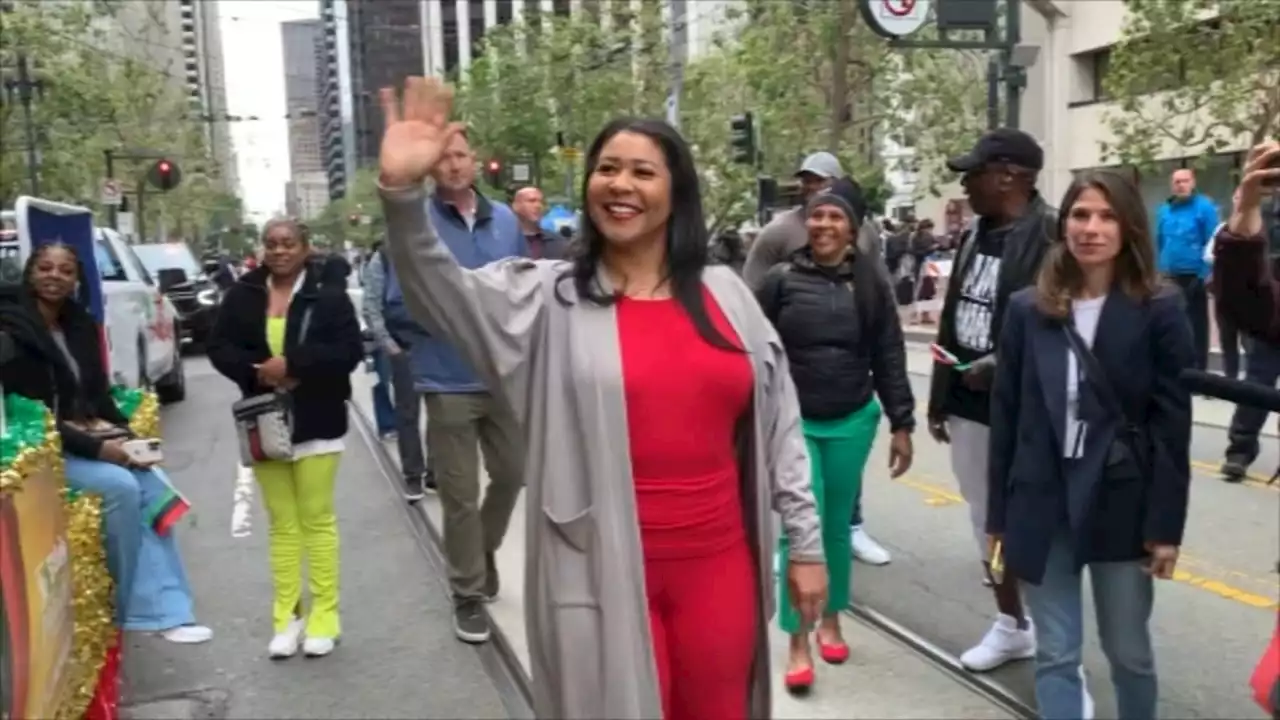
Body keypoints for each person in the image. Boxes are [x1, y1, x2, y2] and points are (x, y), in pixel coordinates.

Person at [376, 76, 826, 720]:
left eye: (643, 171)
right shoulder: (547, 297)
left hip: (720, 568)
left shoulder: (729, 296)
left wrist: (805, 546)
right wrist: (401, 195)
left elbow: (782, 431)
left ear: (677, 192)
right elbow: (439, 293)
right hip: (595, 574)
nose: (621, 184)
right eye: (607, 168)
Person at [987, 170, 1193, 720]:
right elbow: (1006, 416)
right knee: (1055, 653)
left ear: (1128, 227)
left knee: (1129, 653)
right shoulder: (1029, 309)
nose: (1091, 228)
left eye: (1106, 216)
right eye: (1080, 215)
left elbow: (1172, 428)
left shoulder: (1160, 309)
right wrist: (997, 517)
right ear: (1064, 225)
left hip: (1121, 499)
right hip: (1042, 498)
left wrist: (1165, 529)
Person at [0, 244, 211, 643]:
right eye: (45, 268)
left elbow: (97, 398)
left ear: (76, 280)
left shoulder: (77, 324)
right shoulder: (11, 330)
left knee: (152, 481)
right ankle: (139, 610)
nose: (54, 276)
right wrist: (100, 451)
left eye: (65, 270)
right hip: (38, 450)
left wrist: (128, 440)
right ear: (30, 273)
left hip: (82, 436)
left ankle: (168, 609)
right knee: (120, 488)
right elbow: (31, 418)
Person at [756, 178, 915, 693]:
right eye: (816, 216)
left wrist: (902, 422)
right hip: (794, 422)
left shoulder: (870, 283)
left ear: (853, 227)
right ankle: (799, 639)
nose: (823, 225)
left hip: (851, 419)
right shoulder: (780, 280)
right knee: (798, 529)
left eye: (835, 217)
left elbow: (889, 353)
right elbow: (753, 348)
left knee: (836, 528)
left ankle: (831, 620)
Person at [387, 128, 528, 645]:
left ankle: (479, 551)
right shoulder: (415, 222)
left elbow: (521, 288)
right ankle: (467, 593)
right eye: (443, 158)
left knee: (514, 473)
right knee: (459, 494)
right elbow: (400, 302)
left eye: (461, 155)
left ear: (477, 161)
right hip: (446, 377)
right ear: (430, 167)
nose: (453, 165)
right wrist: (452, 322)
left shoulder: (508, 221)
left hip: (501, 375)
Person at [926, 127, 1056, 672]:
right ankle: (1011, 624)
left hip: (1026, 412)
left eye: (973, 174)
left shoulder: (1052, 236)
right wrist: (941, 397)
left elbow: (1063, 322)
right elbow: (955, 320)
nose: (965, 185)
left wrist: (1002, 366)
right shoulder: (975, 233)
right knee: (988, 525)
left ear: (1009, 177)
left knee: (1033, 528)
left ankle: (1058, 653)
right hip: (970, 409)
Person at [206, 218, 363, 659]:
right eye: (272, 244)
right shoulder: (242, 294)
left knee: (316, 519)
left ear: (305, 248)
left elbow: (349, 351)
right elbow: (220, 348)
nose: (279, 251)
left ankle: (324, 617)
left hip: (319, 418)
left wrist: (294, 364)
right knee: (282, 523)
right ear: (263, 248)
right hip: (263, 420)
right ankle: (286, 618)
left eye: (288, 244)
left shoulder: (327, 294)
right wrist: (257, 372)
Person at [743, 151, 893, 566]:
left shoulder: (866, 231)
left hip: (848, 376)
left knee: (844, 469)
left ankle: (851, 527)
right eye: (808, 181)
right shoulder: (778, 232)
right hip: (796, 379)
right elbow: (753, 296)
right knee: (798, 474)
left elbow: (877, 289)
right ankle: (790, 540)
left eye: (822, 180)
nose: (814, 188)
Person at [362, 241, 434, 498]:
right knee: (408, 411)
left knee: (443, 410)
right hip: (402, 344)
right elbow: (371, 305)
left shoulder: (434, 246)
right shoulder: (383, 255)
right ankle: (413, 474)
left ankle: (435, 472)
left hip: (436, 342)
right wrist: (389, 345)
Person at [1155, 168, 1219, 370]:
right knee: (1170, 323)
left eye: (1185, 181)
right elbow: (1160, 241)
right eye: (1176, 181)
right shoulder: (1164, 210)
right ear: (1171, 185)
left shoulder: (1204, 207)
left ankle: (1200, 372)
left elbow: (1213, 242)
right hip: (1168, 275)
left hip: (1195, 275)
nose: (1180, 185)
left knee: (1197, 326)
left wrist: (1205, 274)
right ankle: (1175, 369)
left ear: (1193, 183)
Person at [513, 186, 569, 260]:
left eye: (541, 202)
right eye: (531, 201)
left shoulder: (557, 241)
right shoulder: (504, 240)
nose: (538, 206)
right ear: (516, 206)